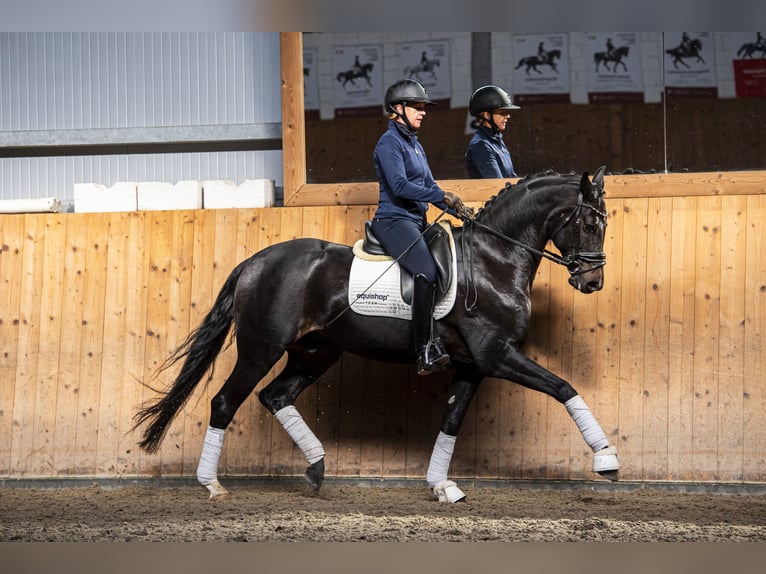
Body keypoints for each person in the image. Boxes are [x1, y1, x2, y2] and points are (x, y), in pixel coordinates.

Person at [371, 78, 470, 376]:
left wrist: (453, 207)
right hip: (393, 221)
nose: (423, 111)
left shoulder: (415, 145)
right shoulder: (389, 143)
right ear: (397, 109)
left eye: (423, 107)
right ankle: (424, 348)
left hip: (417, 221)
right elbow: (400, 187)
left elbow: (428, 185)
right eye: (416, 106)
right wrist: (441, 196)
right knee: (426, 271)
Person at [465, 85, 520, 179]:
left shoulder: (496, 139)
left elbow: (511, 177)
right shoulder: (481, 145)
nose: (507, 116)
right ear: (486, 115)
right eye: (502, 113)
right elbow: (497, 185)